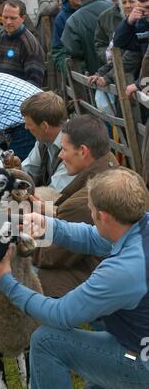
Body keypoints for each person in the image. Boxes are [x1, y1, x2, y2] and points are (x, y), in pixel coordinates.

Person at [0, 167, 149, 389]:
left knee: (48, 341)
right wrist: (48, 226)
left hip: (142, 361)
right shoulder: (140, 226)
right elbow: (97, 238)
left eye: (92, 209)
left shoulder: (124, 271)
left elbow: (60, 314)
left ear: (103, 215)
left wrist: (5, 279)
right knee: (97, 386)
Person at [28, 115, 118, 297]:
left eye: (63, 149)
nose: (60, 155)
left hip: (101, 279)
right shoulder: (115, 169)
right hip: (117, 268)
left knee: (22, 269)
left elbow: (49, 256)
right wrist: (55, 212)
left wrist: (26, 239)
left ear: (83, 151)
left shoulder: (87, 201)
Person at [20, 91, 73, 191]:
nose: (26, 127)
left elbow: (53, 194)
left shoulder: (73, 147)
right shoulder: (44, 139)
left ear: (45, 126)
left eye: (29, 124)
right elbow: (28, 170)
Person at [0, 0, 45, 87]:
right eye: (5, 17)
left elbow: (34, 84)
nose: (8, 22)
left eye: (13, 18)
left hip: (20, 96)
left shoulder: (30, 45)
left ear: (23, 18)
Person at [61, 0, 112, 74]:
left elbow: (73, 51)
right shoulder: (115, 7)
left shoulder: (73, 21)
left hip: (96, 78)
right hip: (127, 74)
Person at [113, 0, 149, 96]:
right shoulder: (142, 24)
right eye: (141, 9)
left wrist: (139, 84)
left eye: (148, 7)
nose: (145, 13)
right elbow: (118, 43)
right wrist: (129, 22)